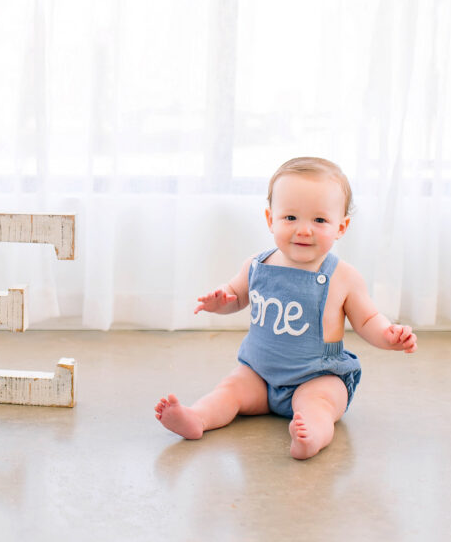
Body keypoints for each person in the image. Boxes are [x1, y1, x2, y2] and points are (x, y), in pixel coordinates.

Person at [154, 157, 417, 459]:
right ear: (270, 219)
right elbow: (237, 296)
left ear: (341, 226)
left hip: (317, 376)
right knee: (229, 390)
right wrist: (222, 301)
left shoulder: (343, 277)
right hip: (259, 375)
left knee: (318, 404)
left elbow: (368, 319)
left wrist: (389, 334)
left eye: (319, 221)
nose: (303, 230)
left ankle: (311, 436)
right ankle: (196, 418)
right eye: (290, 218)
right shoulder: (256, 265)